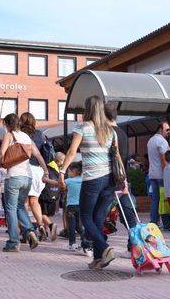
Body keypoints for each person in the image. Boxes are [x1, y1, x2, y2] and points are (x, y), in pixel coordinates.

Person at [58, 95, 120, 270]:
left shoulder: (83, 127)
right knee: (97, 218)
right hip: (109, 180)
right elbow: (116, 157)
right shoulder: (111, 131)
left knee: (85, 217)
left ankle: (105, 247)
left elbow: (71, 152)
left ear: (87, 109)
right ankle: (99, 259)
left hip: (92, 179)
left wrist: (62, 171)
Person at [0, 113, 49, 252]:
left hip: (14, 176)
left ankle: (13, 242)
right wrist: (46, 171)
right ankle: (30, 230)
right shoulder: (26, 137)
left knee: (11, 209)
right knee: (20, 207)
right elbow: (38, 155)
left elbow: (1, 153)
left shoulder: (9, 135)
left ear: (7, 124)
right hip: (27, 178)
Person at [104, 102, 137, 258]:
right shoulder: (123, 134)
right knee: (129, 215)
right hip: (122, 179)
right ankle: (134, 245)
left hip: (107, 179)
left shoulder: (106, 133)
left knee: (99, 213)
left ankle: (94, 244)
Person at [19, 113, 49, 241]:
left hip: (25, 168)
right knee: (34, 201)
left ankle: (26, 231)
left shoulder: (20, 134)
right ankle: (41, 225)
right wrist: (46, 171)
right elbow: (42, 153)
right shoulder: (40, 135)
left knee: (23, 202)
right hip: (38, 170)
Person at [147, 121, 170, 230]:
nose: (169, 132)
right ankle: (166, 224)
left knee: (155, 200)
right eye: (167, 130)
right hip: (161, 175)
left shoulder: (150, 140)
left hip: (152, 174)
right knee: (164, 200)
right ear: (160, 129)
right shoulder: (162, 141)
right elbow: (163, 159)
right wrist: (167, 174)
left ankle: (153, 223)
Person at [39, 152, 65, 241]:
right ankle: (45, 233)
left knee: (41, 214)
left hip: (45, 195)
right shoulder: (58, 170)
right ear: (59, 161)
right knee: (46, 215)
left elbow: (43, 179)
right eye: (63, 161)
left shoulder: (48, 168)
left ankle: (50, 226)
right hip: (54, 196)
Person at [64, 161, 88, 253]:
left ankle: (72, 244)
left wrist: (46, 179)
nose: (68, 173)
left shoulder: (69, 181)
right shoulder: (83, 181)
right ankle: (85, 241)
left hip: (71, 207)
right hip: (81, 206)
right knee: (79, 226)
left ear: (74, 171)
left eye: (69, 171)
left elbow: (57, 183)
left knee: (71, 225)